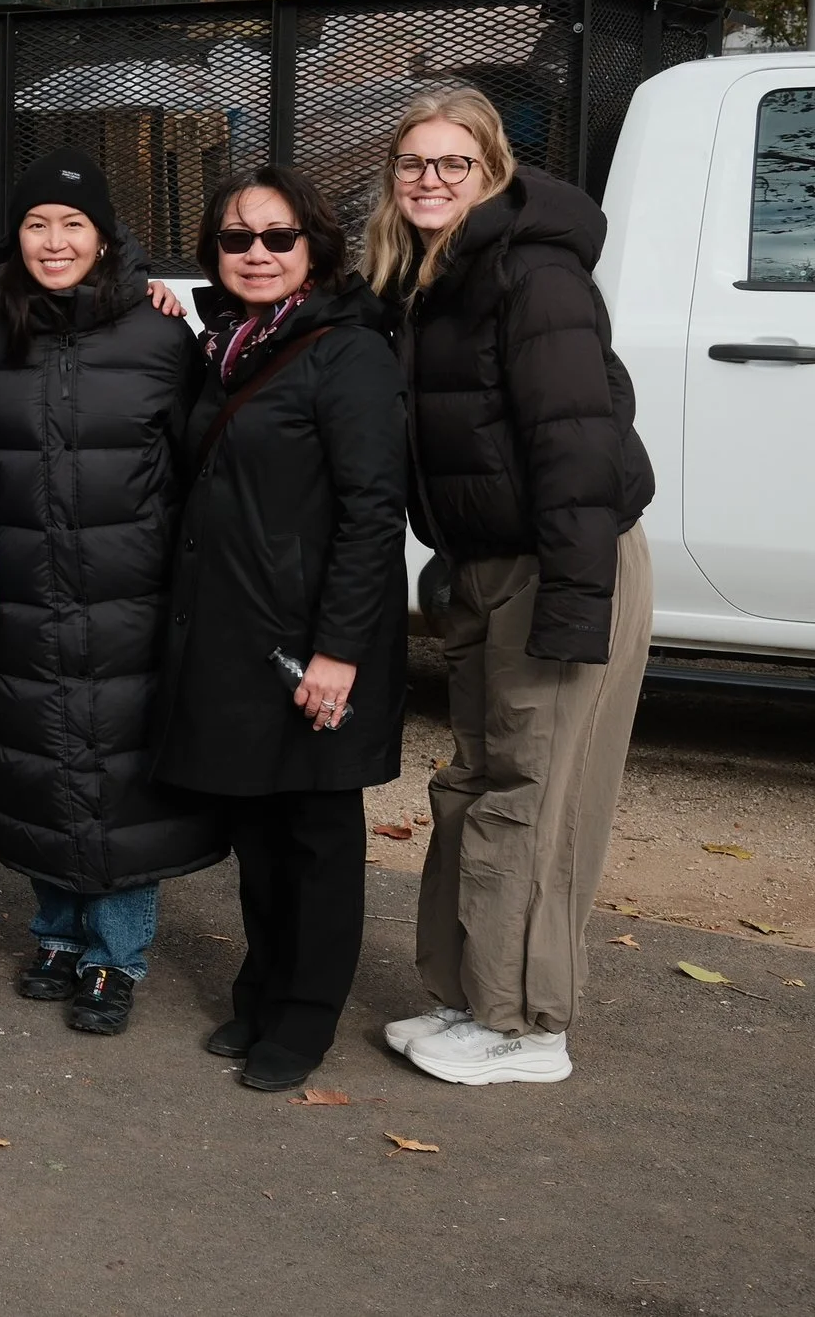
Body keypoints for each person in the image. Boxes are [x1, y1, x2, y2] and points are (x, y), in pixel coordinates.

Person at [366, 86, 655, 1087]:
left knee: (530, 793)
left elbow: (573, 446)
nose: (430, 179)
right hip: (490, 567)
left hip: (558, 563)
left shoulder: (532, 277)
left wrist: (575, 606)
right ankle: (463, 997)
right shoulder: (427, 278)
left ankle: (526, 1026)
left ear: (491, 170)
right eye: (413, 163)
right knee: (475, 783)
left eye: (452, 162)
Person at [153, 165, 409, 1094]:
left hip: (318, 638)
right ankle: (261, 987)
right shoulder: (229, 342)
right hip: (242, 632)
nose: (255, 252)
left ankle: (306, 1015)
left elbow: (374, 512)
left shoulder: (348, 351)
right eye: (234, 237)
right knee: (257, 826)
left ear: (315, 245)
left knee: (316, 833)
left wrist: (338, 651)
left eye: (277, 236)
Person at [0, 147, 217, 1038]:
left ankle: (118, 953)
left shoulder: (158, 333)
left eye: (74, 225)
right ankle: (57, 934)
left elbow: (195, 464)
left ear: (106, 239)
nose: (55, 240)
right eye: (37, 224)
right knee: (37, 762)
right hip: (22, 584)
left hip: (128, 591)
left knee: (120, 773)